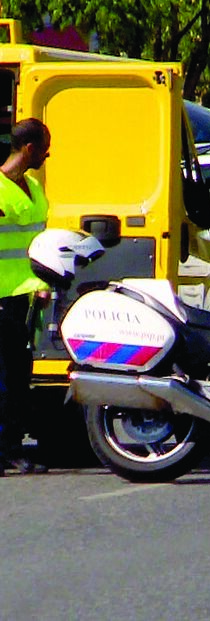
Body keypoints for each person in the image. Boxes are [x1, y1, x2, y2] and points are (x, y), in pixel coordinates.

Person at [0, 118, 52, 476]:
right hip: (2, 295)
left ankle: (12, 446)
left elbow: (38, 244)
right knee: (4, 378)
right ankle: (6, 450)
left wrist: (44, 282)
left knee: (19, 376)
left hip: (28, 297)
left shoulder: (33, 186)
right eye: (45, 147)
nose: (48, 154)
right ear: (29, 148)